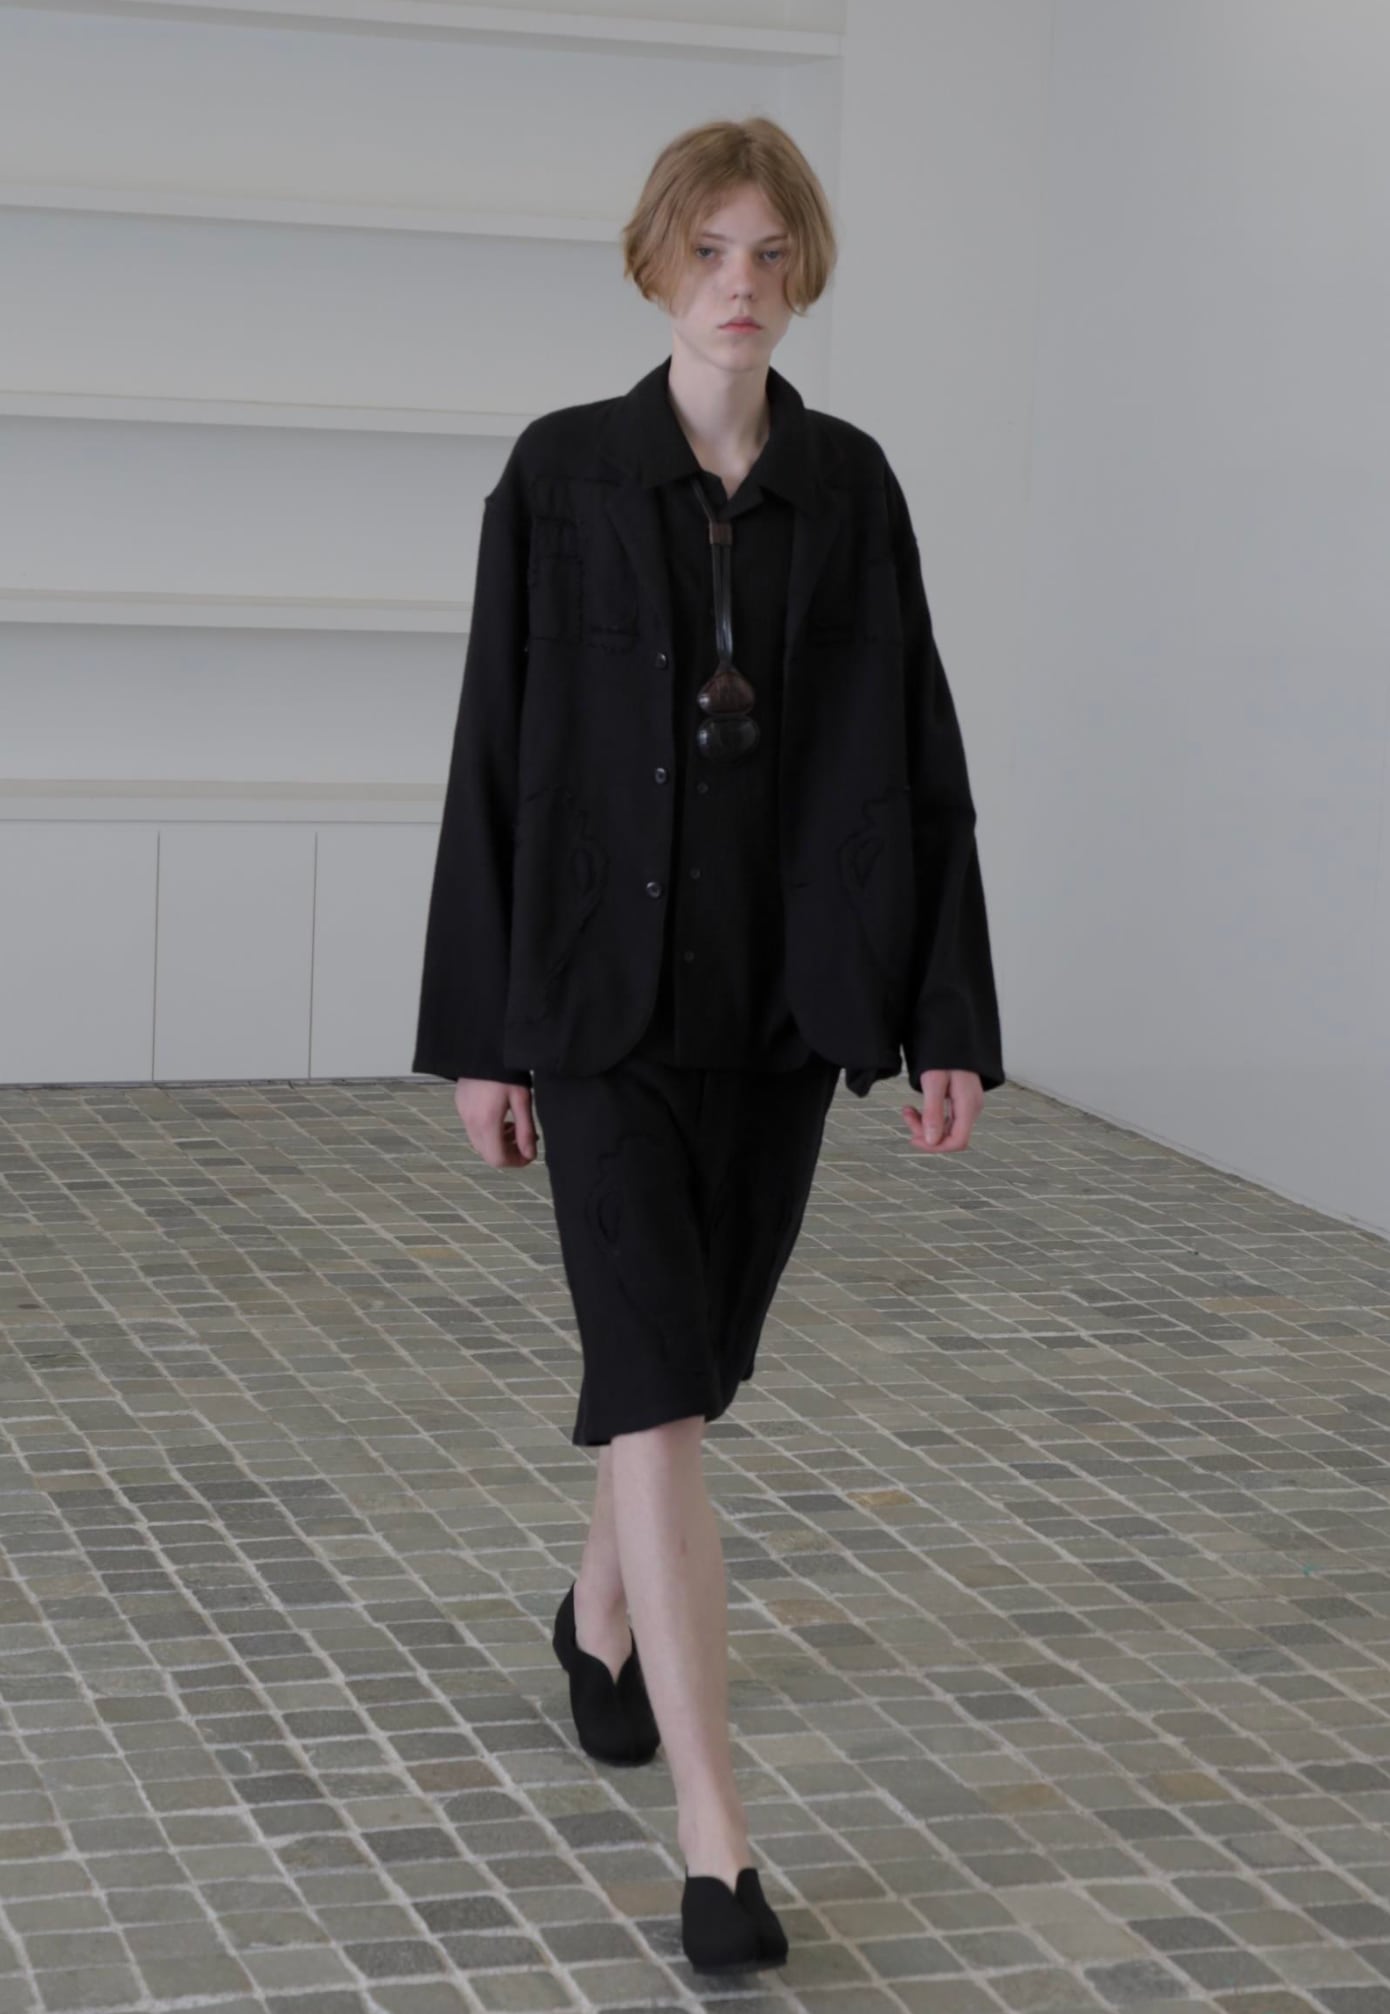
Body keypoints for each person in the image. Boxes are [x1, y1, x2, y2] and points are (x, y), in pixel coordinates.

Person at [413, 117, 1004, 1973]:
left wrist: (945, 1015)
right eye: (706, 250)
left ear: (800, 271)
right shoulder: (561, 474)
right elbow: (492, 750)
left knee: (691, 1358)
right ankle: (716, 1841)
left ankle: (597, 1619)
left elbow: (920, 752)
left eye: (767, 252)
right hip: (599, 1001)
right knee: (657, 1386)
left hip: (782, 1000)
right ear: (655, 264)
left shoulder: (853, 488)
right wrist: (481, 1035)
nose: (736, 284)